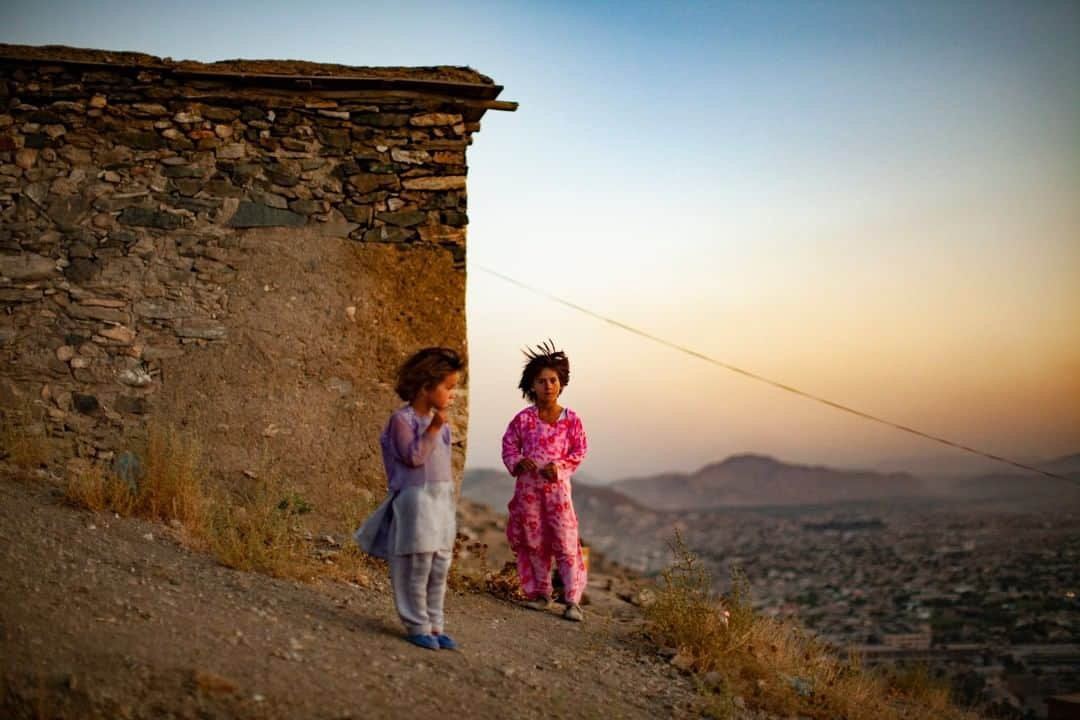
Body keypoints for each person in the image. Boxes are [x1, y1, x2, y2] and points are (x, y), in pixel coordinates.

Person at [354, 347, 464, 650]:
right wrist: (433, 428)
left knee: (440, 564)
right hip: (416, 502)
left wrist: (437, 427)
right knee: (417, 564)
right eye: (449, 387)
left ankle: (435, 624)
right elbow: (414, 457)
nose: (454, 395)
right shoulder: (402, 420)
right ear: (426, 386)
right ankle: (417, 624)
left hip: (441, 502)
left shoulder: (439, 425)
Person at [501, 340, 589, 622]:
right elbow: (509, 446)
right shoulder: (523, 420)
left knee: (565, 542)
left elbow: (579, 451)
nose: (548, 386)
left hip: (558, 494)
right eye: (541, 381)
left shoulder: (572, 420)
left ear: (561, 383)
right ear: (532, 386)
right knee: (534, 541)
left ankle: (572, 600)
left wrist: (560, 467)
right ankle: (541, 594)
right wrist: (518, 462)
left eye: (553, 380)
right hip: (529, 493)